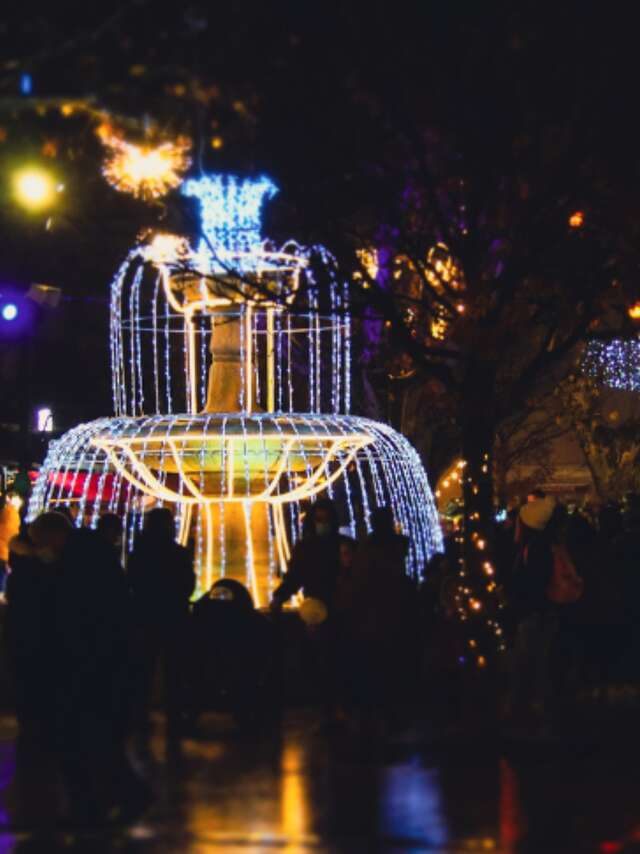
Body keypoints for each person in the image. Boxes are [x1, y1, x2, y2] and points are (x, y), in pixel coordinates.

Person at [28, 511, 146, 825]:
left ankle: (103, 802)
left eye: (42, 542)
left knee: (81, 739)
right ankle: (102, 801)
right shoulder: (93, 556)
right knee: (92, 739)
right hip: (101, 662)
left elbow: (73, 615)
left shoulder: (76, 565)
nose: (42, 549)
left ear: (54, 536)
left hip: (89, 663)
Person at [127, 507, 195, 739]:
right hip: (173, 616)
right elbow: (188, 584)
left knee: (143, 668)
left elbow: (132, 581)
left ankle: (140, 715)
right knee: (175, 669)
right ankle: (175, 716)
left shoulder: (138, 553)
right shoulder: (178, 553)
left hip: (145, 615)